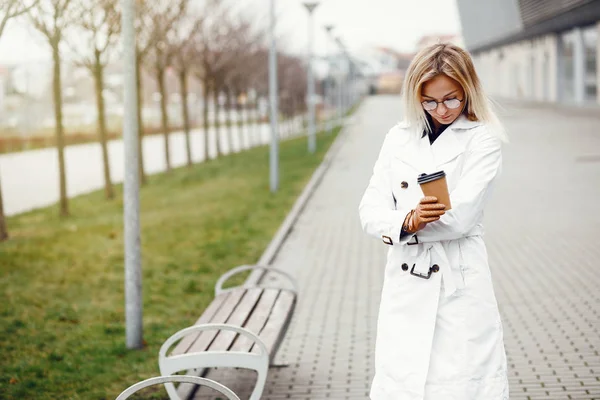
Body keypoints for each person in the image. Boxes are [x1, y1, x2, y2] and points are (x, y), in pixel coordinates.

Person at [358, 43, 510, 399]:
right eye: (431, 101)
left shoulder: (483, 139)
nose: (442, 110)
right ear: (417, 96)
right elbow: (370, 208)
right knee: (404, 381)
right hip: (407, 280)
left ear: (468, 91)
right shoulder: (398, 137)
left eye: (452, 99)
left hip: (458, 279)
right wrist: (407, 222)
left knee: (462, 382)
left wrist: (405, 225)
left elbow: (460, 219)